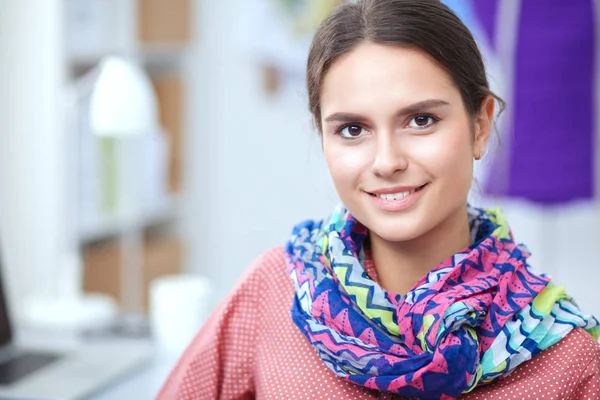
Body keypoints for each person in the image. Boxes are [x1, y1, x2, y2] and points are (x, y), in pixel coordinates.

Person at [157, 0, 600, 398]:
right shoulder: (272, 293)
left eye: (421, 120)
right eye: (352, 129)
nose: (387, 161)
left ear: (480, 126)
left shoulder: (570, 360)